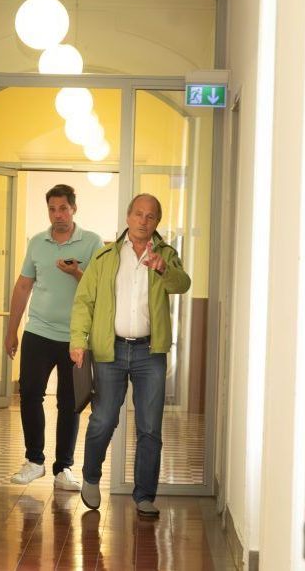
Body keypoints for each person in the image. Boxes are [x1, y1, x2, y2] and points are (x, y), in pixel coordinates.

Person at [69, 193, 190, 517]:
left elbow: (182, 284)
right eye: (138, 214)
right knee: (103, 419)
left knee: (150, 427)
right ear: (128, 217)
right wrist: (78, 341)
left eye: (150, 216)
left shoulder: (166, 254)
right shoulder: (105, 256)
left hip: (150, 353)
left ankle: (144, 496)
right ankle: (91, 476)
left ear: (157, 222)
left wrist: (163, 269)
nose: (143, 221)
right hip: (111, 350)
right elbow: (84, 301)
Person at [6, 184, 103, 490]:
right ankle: (34, 461)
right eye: (52, 209)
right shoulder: (38, 242)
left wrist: (75, 273)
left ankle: (64, 469)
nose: (57, 214)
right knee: (30, 394)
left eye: (63, 208)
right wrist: (11, 330)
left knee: (70, 402)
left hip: (76, 337)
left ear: (74, 209)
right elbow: (23, 286)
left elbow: (100, 288)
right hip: (38, 331)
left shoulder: (92, 242)